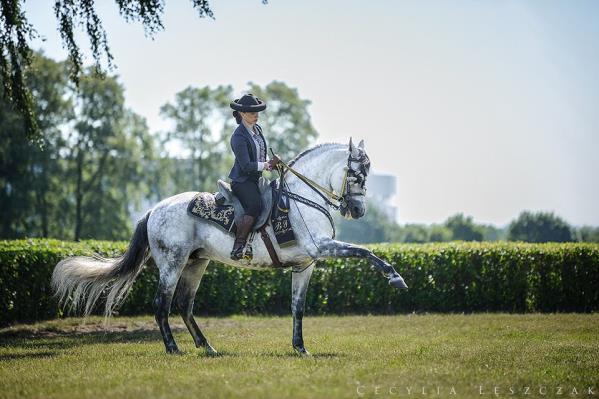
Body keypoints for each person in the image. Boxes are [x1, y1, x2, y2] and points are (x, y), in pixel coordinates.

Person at [228, 93, 280, 260]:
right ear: (242, 114)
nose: (256, 115)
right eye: (252, 113)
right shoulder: (238, 136)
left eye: (257, 112)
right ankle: (239, 245)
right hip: (242, 181)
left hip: (257, 179)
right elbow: (245, 165)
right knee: (256, 205)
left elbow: (259, 158)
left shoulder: (258, 130)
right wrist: (266, 165)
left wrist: (271, 163)